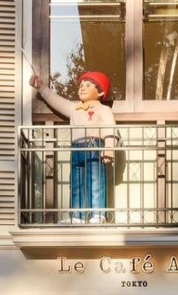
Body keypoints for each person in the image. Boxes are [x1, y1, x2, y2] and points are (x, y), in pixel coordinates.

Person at [30, 71, 116, 223]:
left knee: (96, 181)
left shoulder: (103, 109)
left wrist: (109, 146)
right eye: (81, 85)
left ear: (101, 92)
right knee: (76, 183)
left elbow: (110, 127)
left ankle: (98, 214)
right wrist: (42, 87)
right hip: (76, 148)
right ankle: (77, 216)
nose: (82, 88)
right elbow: (57, 101)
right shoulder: (74, 109)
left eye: (88, 85)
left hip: (94, 147)